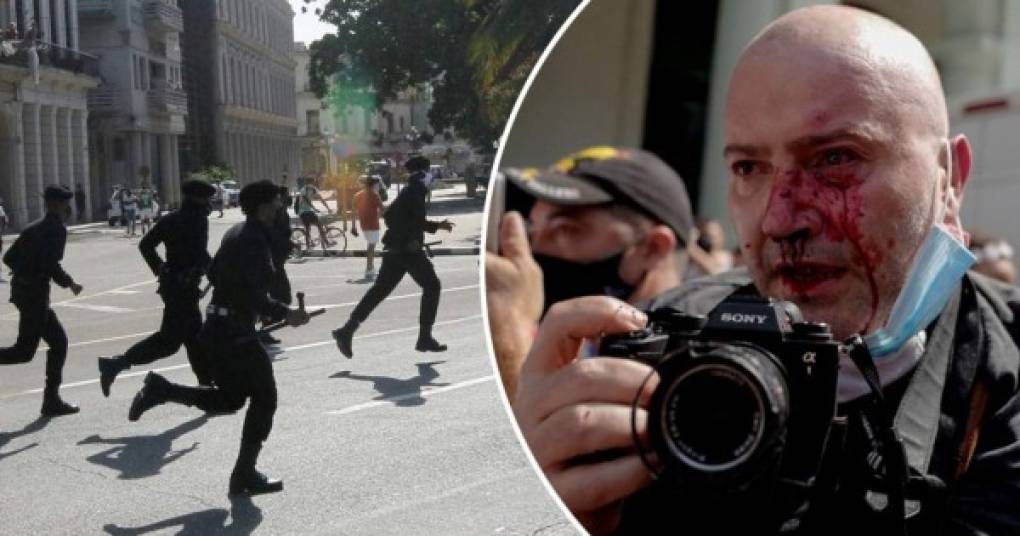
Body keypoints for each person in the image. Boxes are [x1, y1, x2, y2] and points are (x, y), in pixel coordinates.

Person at [512, 6, 1020, 535]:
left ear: (951, 180)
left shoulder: (1004, 365)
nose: (779, 219)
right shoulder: (670, 340)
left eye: (835, 158)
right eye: (748, 168)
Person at [127, 180, 309, 495]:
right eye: (277, 202)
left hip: (218, 327)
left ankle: (163, 390)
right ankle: (244, 475)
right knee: (265, 398)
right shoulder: (251, 240)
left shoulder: (236, 232)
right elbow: (252, 294)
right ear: (265, 206)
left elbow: (215, 275)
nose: (281, 207)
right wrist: (285, 312)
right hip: (234, 332)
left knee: (230, 398)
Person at [486, 146, 695, 401]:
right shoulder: (575, 342)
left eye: (565, 230)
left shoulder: (693, 370)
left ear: (653, 248)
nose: (534, 251)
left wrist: (510, 332)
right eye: (534, 230)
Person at [97, 179, 217, 396]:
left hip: (174, 286)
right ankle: (116, 364)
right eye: (207, 198)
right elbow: (199, 254)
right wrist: (217, 273)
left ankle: (206, 384)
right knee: (169, 342)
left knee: (194, 338)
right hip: (183, 289)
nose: (209, 202)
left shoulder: (171, 218)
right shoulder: (197, 220)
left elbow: (146, 245)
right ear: (198, 199)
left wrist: (160, 268)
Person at [332, 155, 454, 358]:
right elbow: (410, 220)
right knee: (432, 286)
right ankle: (424, 337)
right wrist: (410, 239)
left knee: (379, 291)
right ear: (423, 173)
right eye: (428, 172)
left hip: (396, 250)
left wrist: (435, 226)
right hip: (407, 251)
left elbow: (393, 217)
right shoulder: (414, 191)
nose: (430, 176)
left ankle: (347, 330)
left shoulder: (410, 191)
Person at [0, 185, 84, 416]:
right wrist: (70, 283)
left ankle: (51, 401)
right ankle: (51, 401)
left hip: (22, 292)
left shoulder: (32, 228)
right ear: (56, 204)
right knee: (24, 352)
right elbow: (50, 264)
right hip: (35, 295)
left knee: (58, 342)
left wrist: (25, 270)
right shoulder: (56, 229)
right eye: (67, 203)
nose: (69, 208)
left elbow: (8, 258)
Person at [262, 184, 295, 345]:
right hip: (271, 263)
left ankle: (266, 328)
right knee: (280, 296)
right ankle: (264, 329)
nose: (287, 199)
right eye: (283, 197)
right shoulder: (271, 217)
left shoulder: (284, 215)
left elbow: (284, 234)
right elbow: (272, 237)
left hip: (279, 261)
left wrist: (289, 244)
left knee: (282, 296)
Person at [351, 175, 386, 279]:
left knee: (371, 245)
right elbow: (383, 209)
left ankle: (371, 268)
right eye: (378, 184)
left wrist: (353, 226)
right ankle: (369, 269)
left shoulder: (357, 195)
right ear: (374, 184)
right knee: (371, 246)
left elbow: (353, 212)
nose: (379, 186)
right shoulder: (375, 194)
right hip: (373, 223)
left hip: (363, 224)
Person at [295, 177, 332, 251]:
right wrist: (315, 209)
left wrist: (328, 208)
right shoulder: (303, 190)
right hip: (303, 212)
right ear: (308, 183)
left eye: (312, 183)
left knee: (314, 226)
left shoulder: (313, 189)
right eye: (311, 183)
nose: (312, 184)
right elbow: (306, 200)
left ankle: (320, 244)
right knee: (314, 226)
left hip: (306, 211)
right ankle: (320, 244)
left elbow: (321, 198)